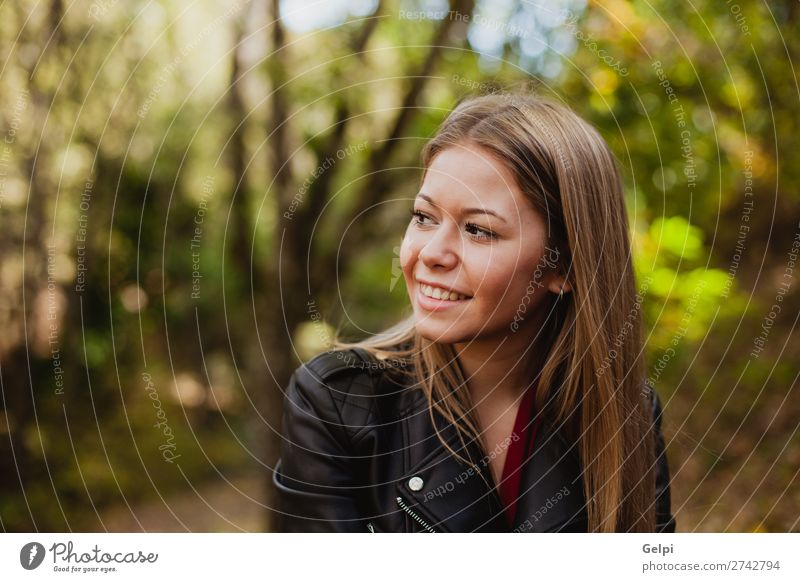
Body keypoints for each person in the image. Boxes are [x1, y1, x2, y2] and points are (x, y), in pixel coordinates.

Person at [273, 92, 676, 533]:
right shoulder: (337, 403)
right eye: (424, 217)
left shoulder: (624, 412)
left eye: (478, 230)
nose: (431, 253)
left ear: (565, 266)